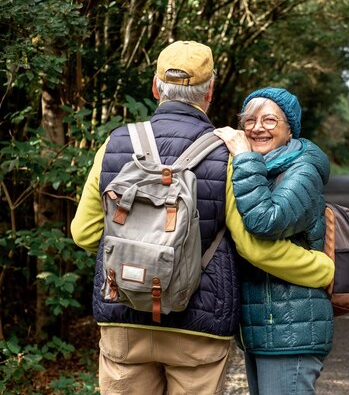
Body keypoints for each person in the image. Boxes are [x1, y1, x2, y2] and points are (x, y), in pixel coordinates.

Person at [70, 41, 334, 395]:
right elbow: (256, 249)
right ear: (209, 92)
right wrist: (324, 269)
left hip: (123, 316)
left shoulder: (115, 144)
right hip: (197, 324)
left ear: (154, 87)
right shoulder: (225, 153)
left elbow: (85, 234)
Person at [214, 87, 334, 395]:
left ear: (289, 128)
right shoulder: (261, 168)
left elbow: (266, 221)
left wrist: (242, 158)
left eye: (269, 120)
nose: (257, 127)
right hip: (264, 326)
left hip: (291, 327)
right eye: (250, 120)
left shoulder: (303, 169)